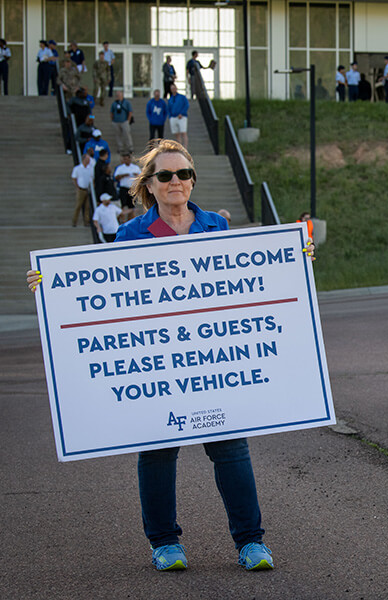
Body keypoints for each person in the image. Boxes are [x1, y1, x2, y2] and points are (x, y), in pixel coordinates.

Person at [27, 138, 316, 570]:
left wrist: (294, 260)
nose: (175, 181)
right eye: (165, 175)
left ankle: (251, 543)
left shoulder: (216, 226)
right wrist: (50, 285)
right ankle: (165, 544)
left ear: (193, 180)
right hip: (159, 365)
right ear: (150, 184)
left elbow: (248, 281)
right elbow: (102, 291)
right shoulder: (130, 234)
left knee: (231, 447)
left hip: (214, 360)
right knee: (158, 452)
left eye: (183, 174)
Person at [114, 153, 141, 222]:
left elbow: (141, 177)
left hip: (132, 188)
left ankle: (130, 220)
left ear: (130, 159)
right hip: (123, 188)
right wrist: (123, 175)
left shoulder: (135, 167)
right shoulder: (120, 168)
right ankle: (123, 220)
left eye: (127, 159)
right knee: (123, 205)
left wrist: (137, 175)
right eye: (124, 159)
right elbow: (116, 177)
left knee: (131, 205)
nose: (126, 160)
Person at [71, 153, 94, 227]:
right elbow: (74, 178)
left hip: (88, 189)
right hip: (81, 189)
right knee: (78, 205)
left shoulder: (90, 168)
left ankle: (86, 221)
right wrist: (77, 187)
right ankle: (74, 221)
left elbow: (92, 178)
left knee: (87, 207)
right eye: (87, 159)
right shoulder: (77, 168)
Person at [110, 90, 134, 155]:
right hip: (116, 122)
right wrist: (112, 120)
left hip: (124, 121)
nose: (117, 96)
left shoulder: (126, 102)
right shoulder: (114, 103)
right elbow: (111, 112)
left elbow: (130, 112)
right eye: (117, 95)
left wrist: (128, 120)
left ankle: (130, 148)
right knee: (118, 135)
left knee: (127, 134)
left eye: (119, 95)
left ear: (122, 95)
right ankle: (120, 148)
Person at [167, 83, 189, 148]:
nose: (173, 89)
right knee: (176, 133)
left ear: (176, 88)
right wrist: (170, 116)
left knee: (183, 132)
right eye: (172, 89)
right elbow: (169, 108)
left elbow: (186, 105)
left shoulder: (182, 97)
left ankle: (185, 148)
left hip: (181, 117)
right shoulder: (170, 99)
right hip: (173, 117)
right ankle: (179, 148)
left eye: (174, 88)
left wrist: (182, 113)